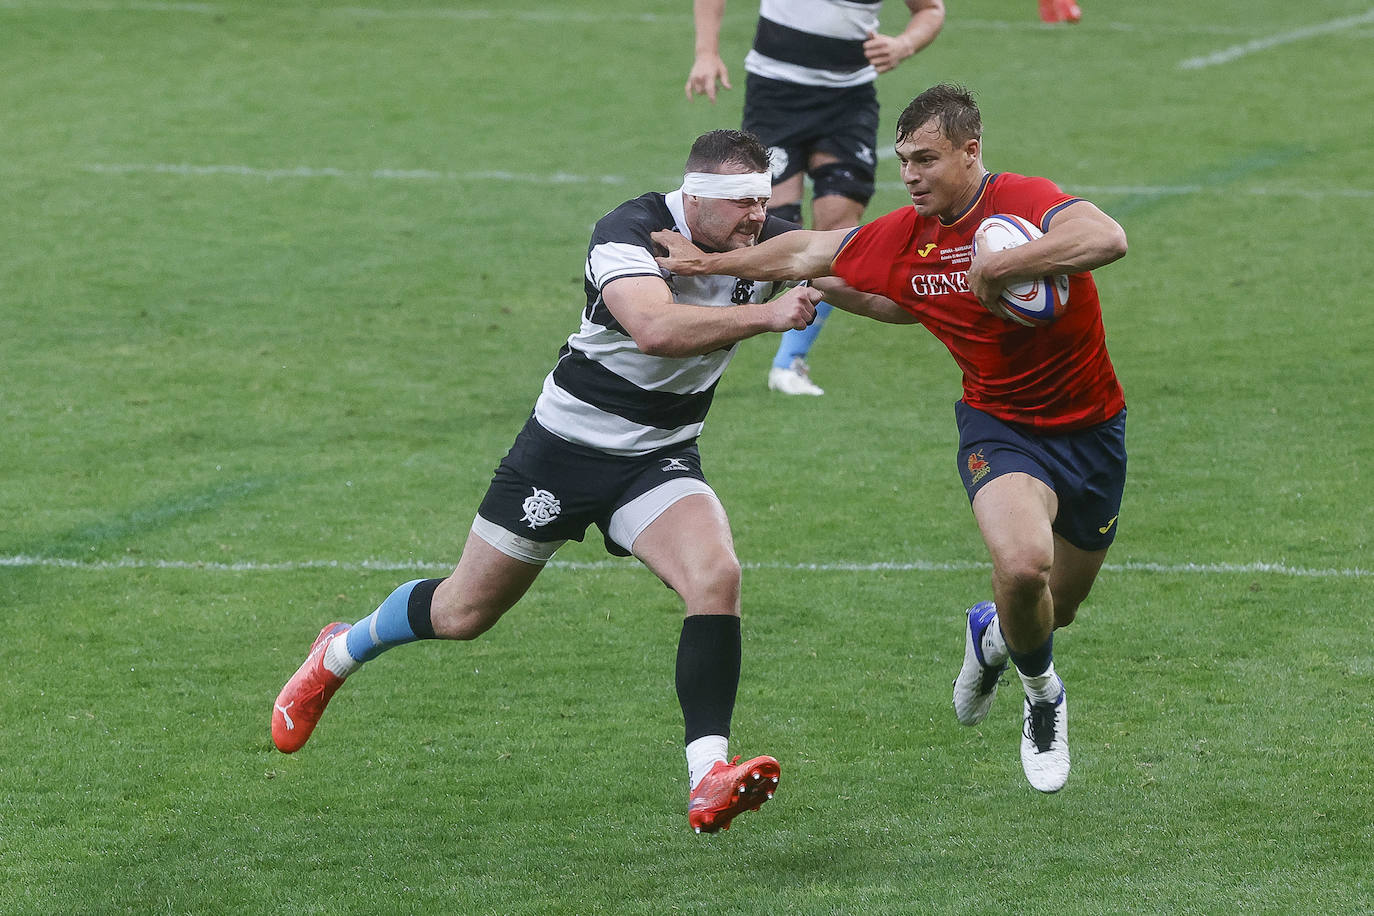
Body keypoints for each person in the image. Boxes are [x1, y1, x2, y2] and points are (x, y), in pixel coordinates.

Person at [269, 130, 827, 833]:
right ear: (696, 197)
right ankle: (340, 650)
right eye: (743, 203)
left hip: (658, 456)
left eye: (763, 200)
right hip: (564, 449)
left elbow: (856, 272)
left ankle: (708, 775)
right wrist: (771, 313)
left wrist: (956, 290)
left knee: (715, 575)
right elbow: (653, 328)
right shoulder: (629, 232)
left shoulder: (762, 241)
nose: (760, 215)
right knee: (461, 615)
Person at [651, 83, 1129, 793]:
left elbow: (1106, 238)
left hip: (1092, 431)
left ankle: (991, 637)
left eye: (927, 159)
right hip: (997, 427)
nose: (909, 176)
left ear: (972, 151)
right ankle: (1043, 698)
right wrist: (709, 264)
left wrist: (1000, 264)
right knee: (1024, 565)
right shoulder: (907, 233)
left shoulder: (1022, 201)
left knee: (1058, 602)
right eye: (903, 159)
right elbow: (809, 249)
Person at [685, 0, 945, 396]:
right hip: (776, 92)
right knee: (772, 226)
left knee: (838, 233)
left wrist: (903, 45)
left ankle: (789, 362)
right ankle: (701, 337)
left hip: (848, 99)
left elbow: (930, 9)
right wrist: (706, 53)